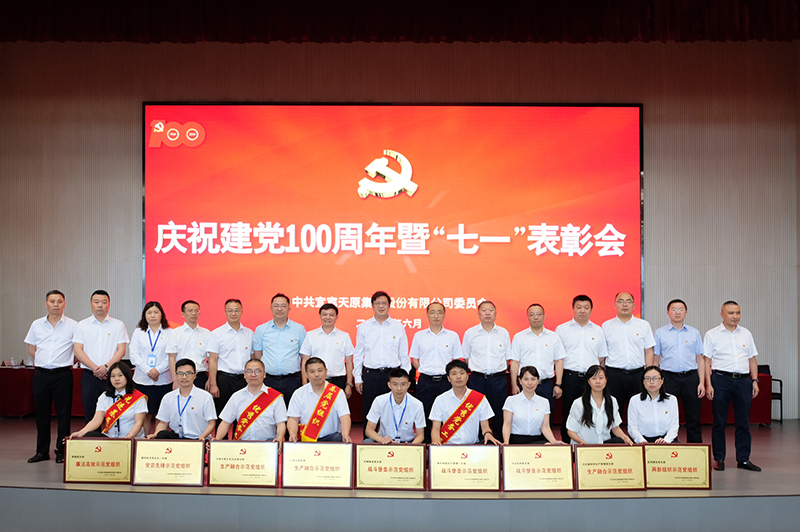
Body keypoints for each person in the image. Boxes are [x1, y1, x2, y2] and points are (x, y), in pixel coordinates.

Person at [704, 301, 761, 471]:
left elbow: (752, 359)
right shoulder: (712, 334)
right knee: (719, 422)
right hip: (721, 380)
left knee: (743, 422)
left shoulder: (746, 334)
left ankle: (743, 459)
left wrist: (755, 380)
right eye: (730, 313)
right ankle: (719, 459)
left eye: (737, 313)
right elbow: (706, 361)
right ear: (722, 314)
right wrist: (709, 384)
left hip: (743, 381)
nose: (735, 316)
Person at [24, 290, 77, 463]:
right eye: (52, 301)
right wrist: (44, 361)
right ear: (46, 304)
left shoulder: (73, 325)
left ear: (64, 304)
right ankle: (42, 451)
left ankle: (62, 451)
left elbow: (78, 350)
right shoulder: (36, 324)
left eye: (59, 301)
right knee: (42, 414)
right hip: (41, 374)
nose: (56, 304)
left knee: (64, 414)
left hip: (63, 374)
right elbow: (32, 348)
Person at [353, 291, 410, 436]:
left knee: (392, 410)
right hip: (371, 375)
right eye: (377, 303)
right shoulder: (364, 327)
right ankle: (368, 442)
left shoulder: (398, 326)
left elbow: (404, 353)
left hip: (393, 375)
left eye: (384, 303)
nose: (381, 306)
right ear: (372, 305)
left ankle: (393, 440)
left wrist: (405, 377)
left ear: (389, 305)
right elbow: (358, 354)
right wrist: (358, 378)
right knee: (370, 411)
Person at [555, 295, 608, 443]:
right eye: (579, 307)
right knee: (568, 412)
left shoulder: (598, 330)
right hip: (569, 377)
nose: (582, 310)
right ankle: (567, 445)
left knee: (590, 411)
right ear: (573, 309)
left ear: (591, 310)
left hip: (591, 378)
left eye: (586, 307)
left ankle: (589, 443)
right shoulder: (562, 329)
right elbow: (557, 356)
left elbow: (601, 357)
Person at [73, 290, 129, 423]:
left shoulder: (118, 325)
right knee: (90, 414)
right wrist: (95, 368)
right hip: (89, 375)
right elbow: (78, 350)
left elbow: (121, 350)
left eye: (104, 302)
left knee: (114, 414)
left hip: (111, 376)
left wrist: (106, 367)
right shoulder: (82, 325)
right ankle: (93, 437)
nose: (100, 305)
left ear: (109, 304)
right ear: (91, 304)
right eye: (96, 302)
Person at [410, 301, 462, 443]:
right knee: (426, 415)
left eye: (439, 312)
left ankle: (446, 445)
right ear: (427, 315)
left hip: (446, 382)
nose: (436, 316)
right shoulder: (419, 335)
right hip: (426, 382)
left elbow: (457, 360)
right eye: (432, 312)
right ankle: (427, 446)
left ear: (444, 315)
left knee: (447, 414)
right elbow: (414, 360)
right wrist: (425, 369)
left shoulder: (452, 336)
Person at [654, 298, 705, 443]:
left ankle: (695, 449)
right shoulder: (659, 333)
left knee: (693, 416)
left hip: (691, 378)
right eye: (674, 309)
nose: (678, 312)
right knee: (667, 415)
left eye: (681, 309)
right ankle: (670, 445)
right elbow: (656, 359)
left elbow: (700, 359)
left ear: (686, 312)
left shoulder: (694, 332)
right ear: (668, 312)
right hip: (668, 378)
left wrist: (701, 382)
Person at [601, 291, 655, 420]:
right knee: (613, 411)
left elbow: (649, 351)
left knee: (639, 411)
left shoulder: (643, 325)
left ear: (634, 305)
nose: (625, 304)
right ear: (615, 305)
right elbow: (602, 352)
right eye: (621, 301)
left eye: (628, 301)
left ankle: (638, 434)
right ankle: (614, 434)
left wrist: (649, 374)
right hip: (614, 375)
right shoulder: (606, 326)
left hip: (637, 375)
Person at [461, 300, 511, 438]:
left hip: (498, 379)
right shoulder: (470, 333)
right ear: (478, 314)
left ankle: (499, 442)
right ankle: (477, 441)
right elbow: (466, 358)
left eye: (490, 310)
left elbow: (508, 359)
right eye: (484, 310)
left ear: (496, 313)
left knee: (498, 412)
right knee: (475, 412)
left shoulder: (503, 333)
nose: (487, 313)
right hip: (477, 379)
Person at [509, 303, 566, 419]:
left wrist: (558, 384)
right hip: (525, 384)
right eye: (532, 314)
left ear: (544, 316)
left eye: (539, 314)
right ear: (528, 317)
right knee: (524, 416)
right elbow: (514, 362)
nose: (536, 317)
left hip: (546, 384)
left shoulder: (553, 337)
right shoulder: (519, 337)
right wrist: (514, 384)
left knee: (547, 417)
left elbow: (559, 361)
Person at [253, 293, 306, 407]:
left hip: (292, 380)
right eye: (276, 306)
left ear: (289, 309)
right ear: (271, 308)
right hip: (268, 380)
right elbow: (258, 356)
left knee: (292, 412)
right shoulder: (261, 329)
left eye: (283, 306)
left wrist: (304, 381)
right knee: (267, 412)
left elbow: (304, 357)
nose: (279, 309)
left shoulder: (299, 329)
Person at [430, 360, 500, 446]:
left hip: (472, 448)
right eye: (454, 374)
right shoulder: (440, 400)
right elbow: (435, 429)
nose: (458, 377)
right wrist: (437, 447)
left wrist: (488, 434)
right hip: (448, 448)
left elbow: (485, 427)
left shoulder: (480, 399)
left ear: (467, 376)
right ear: (448, 378)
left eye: (462, 373)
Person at [68, 362, 146, 439]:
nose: (116, 379)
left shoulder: (138, 398)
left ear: (127, 377)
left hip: (132, 438)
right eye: (113, 376)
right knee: (89, 435)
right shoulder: (104, 396)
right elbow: (96, 420)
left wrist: (129, 437)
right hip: (110, 438)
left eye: (120, 375)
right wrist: (80, 433)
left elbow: (138, 423)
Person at [215, 359, 286, 442]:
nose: (253, 375)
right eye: (249, 371)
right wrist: (217, 440)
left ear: (264, 374)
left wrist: (280, 437)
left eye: (257, 371)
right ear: (244, 375)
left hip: (268, 444)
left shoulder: (276, 397)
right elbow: (225, 422)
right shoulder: (236, 396)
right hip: (242, 445)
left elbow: (281, 423)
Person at [129, 301, 173, 435]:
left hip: (163, 380)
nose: (152, 315)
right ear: (144, 315)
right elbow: (133, 354)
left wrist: (158, 370)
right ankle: (145, 441)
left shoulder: (170, 332)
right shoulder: (138, 332)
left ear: (161, 315)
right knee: (144, 415)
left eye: (155, 312)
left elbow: (171, 355)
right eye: (149, 313)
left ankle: (158, 441)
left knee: (161, 416)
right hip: (142, 380)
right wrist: (148, 370)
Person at [207, 299, 253, 421]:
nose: (233, 313)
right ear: (225, 312)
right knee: (222, 415)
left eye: (236, 310)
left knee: (243, 415)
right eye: (230, 310)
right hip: (224, 379)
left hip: (244, 380)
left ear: (242, 311)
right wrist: (213, 384)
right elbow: (212, 360)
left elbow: (253, 358)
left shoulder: (249, 333)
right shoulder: (217, 333)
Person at [287, 357, 352, 443]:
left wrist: (345, 434)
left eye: (320, 370)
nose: (317, 374)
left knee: (339, 438)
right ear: (306, 374)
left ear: (326, 372)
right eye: (312, 371)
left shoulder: (337, 392)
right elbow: (293, 418)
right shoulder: (299, 393)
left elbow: (344, 416)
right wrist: (292, 434)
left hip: (331, 438)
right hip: (307, 439)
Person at [149, 359, 216, 440]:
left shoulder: (205, 397)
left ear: (194, 376)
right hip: (177, 437)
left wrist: (203, 436)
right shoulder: (168, 397)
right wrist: (155, 434)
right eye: (180, 373)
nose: (184, 377)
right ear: (176, 375)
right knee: (162, 435)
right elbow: (163, 422)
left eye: (188, 373)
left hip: (197, 438)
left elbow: (211, 422)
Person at [565, 365, 633, 445]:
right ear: (588, 381)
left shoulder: (612, 401)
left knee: (619, 441)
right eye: (594, 378)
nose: (598, 381)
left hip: (603, 447)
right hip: (584, 446)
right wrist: (581, 442)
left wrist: (625, 438)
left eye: (601, 378)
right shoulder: (579, 403)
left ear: (606, 380)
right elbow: (571, 431)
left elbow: (615, 428)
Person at [299, 303, 354, 397]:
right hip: (315, 380)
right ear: (320, 316)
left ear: (337, 317)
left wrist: (349, 384)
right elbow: (305, 361)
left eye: (331, 315)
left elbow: (349, 362)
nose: (328, 317)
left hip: (337, 381)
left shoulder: (344, 336)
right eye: (324, 314)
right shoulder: (310, 335)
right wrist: (305, 384)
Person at [502, 366, 562, 445]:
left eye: (533, 379)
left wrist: (554, 442)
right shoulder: (511, 400)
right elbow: (507, 425)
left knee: (548, 446)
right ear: (520, 381)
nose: (530, 383)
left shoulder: (544, 402)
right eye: (526, 379)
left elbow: (545, 428)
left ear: (537, 381)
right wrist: (506, 443)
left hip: (536, 441)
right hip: (516, 441)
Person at [364, 369, 425, 444]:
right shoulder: (379, 401)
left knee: (424, 449)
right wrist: (381, 439)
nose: (399, 388)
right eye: (395, 384)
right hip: (384, 441)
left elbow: (421, 435)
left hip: (407, 442)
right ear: (389, 385)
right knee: (367, 442)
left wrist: (411, 446)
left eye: (403, 384)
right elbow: (369, 430)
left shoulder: (417, 404)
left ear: (408, 385)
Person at [627, 366, 679, 443]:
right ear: (643, 381)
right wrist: (642, 441)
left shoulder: (671, 400)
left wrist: (666, 440)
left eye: (655, 378)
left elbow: (674, 426)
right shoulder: (635, 400)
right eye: (648, 378)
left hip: (665, 440)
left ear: (662, 381)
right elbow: (632, 427)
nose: (651, 382)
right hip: (642, 440)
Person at [166, 300, 211, 391]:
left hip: (201, 377)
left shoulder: (207, 333)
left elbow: (211, 359)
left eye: (196, 311)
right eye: (190, 311)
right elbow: (171, 358)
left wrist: (211, 380)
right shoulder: (175, 333)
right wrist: (175, 379)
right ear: (183, 314)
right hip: (182, 377)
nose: (193, 313)